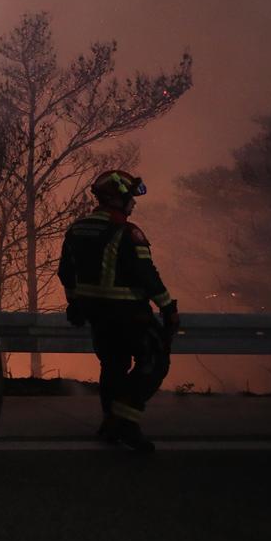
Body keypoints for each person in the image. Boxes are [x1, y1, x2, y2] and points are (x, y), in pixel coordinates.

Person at [59, 169, 179, 453]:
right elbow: (146, 274)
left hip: (96, 314)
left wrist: (75, 302)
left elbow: (66, 272)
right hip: (129, 313)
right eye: (130, 198)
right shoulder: (127, 232)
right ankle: (126, 421)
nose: (133, 204)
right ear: (117, 198)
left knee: (113, 365)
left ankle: (110, 422)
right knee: (155, 360)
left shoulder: (77, 228)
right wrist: (168, 307)